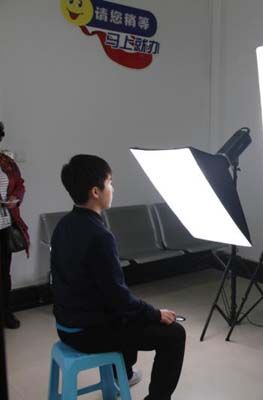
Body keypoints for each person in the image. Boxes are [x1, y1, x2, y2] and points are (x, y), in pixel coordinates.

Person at [51, 155, 186, 400]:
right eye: (110, 182)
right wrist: (156, 313)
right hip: (86, 333)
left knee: (129, 315)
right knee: (174, 334)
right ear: (95, 191)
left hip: (64, 325)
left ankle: (122, 371)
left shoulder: (63, 225)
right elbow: (119, 298)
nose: (113, 188)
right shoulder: (99, 236)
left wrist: (140, 311)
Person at [0, 121, 29, 329]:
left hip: (4, 225)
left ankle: (5, 313)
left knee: (3, 273)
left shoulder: (6, 163)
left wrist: (14, 198)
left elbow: (20, 185)